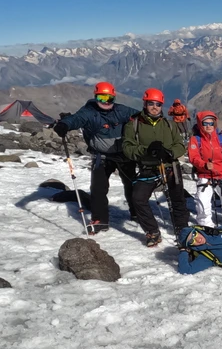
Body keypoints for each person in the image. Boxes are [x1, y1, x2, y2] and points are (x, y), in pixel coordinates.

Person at [53, 81, 139, 234]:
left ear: (114, 98)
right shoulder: (88, 112)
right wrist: (64, 125)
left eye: (109, 99)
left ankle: (137, 213)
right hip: (102, 156)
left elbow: (140, 116)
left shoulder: (122, 110)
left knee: (131, 185)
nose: (105, 102)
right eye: (101, 98)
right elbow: (75, 119)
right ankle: (100, 220)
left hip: (124, 155)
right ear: (95, 97)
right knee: (98, 188)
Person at [121, 88, 189, 247]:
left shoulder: (170, 125)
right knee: (138, 198)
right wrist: (146, 152)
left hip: (169, 166)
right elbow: (127, 147)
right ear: (145, 104)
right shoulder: (134, 125)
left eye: (158, 104)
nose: (154, 107)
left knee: (177, 199)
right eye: (151, 103)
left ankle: (183, 229)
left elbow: (180, 145)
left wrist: (169, 153)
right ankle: (152, 230)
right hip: (147, 168)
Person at [187, 111, 222, 228]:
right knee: (202, 203)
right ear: (200, 124)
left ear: (215, 124)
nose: (208, 126)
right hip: (205, 175)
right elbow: (193, 157)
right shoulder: (196, 140)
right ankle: (206, 226)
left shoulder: (221, 139)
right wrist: (204, 165)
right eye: (205, 123)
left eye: (211, 123)